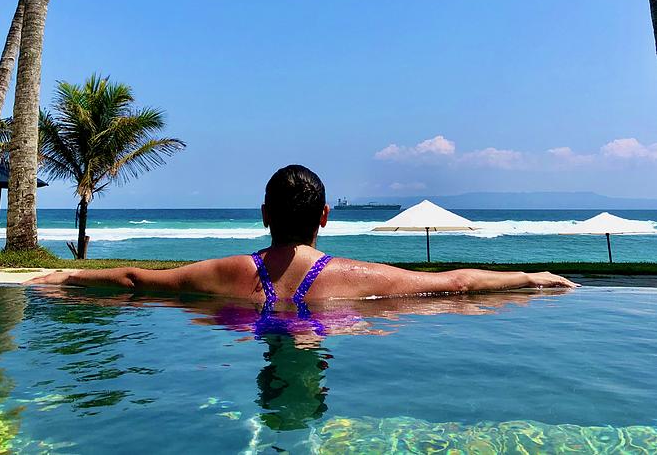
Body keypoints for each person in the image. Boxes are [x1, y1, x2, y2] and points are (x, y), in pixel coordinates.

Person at [33, 164, 576, 298]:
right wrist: (532, 276)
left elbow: (131, 280)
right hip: (329, 318)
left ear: (264, 215)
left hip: (240, 326)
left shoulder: (224, 273)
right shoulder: (361, 278)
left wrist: (56, 279)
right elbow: (455, 286)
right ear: (324, 216)